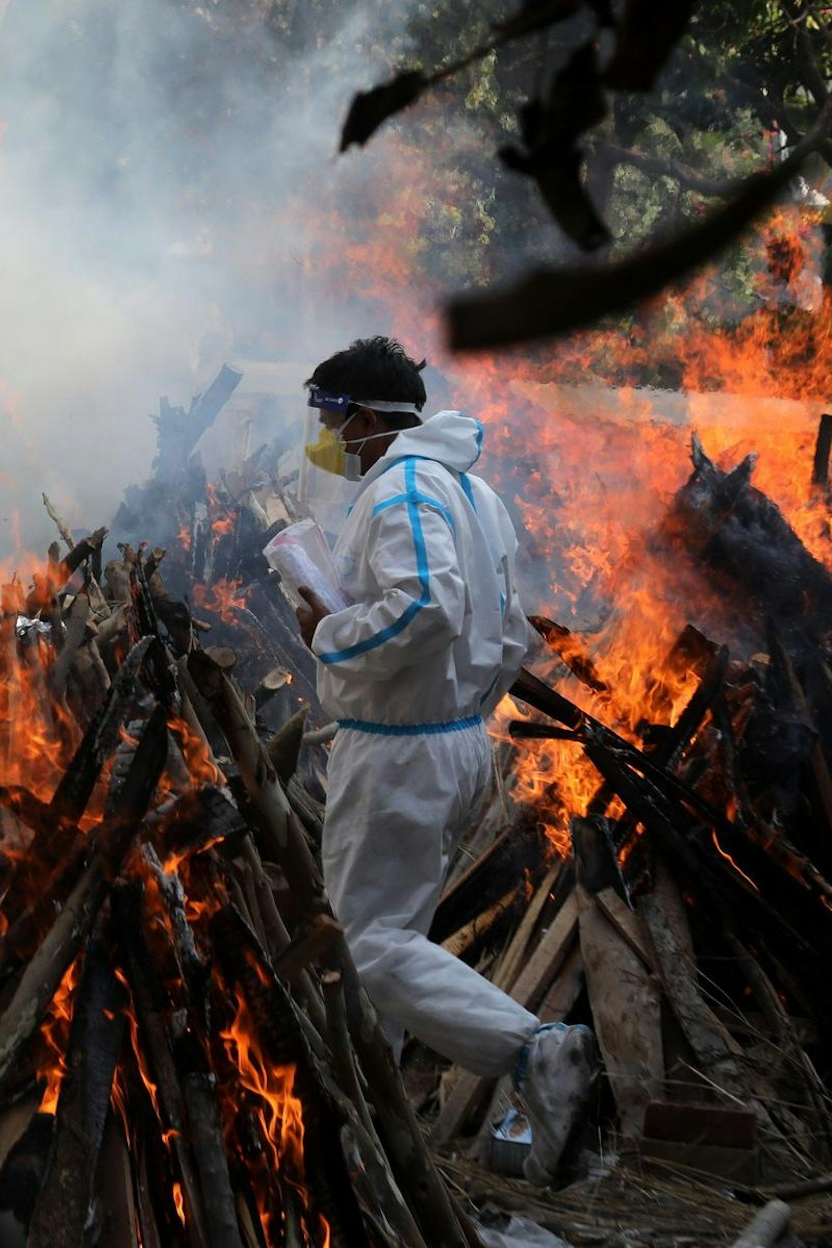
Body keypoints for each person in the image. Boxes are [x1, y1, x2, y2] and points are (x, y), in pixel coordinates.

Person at [291, 336, 598, 1183]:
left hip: (401, 752)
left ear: (362, 418)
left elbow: (424, 608)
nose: (326, 439)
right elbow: (509, 632)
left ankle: (534, 1051)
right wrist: (464, 713)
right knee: (395, 942)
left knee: (370, 945)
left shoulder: (402, 488)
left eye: (330, 420)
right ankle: (372, 1125)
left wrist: (328, 633)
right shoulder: (471, 491)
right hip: (448, 741)